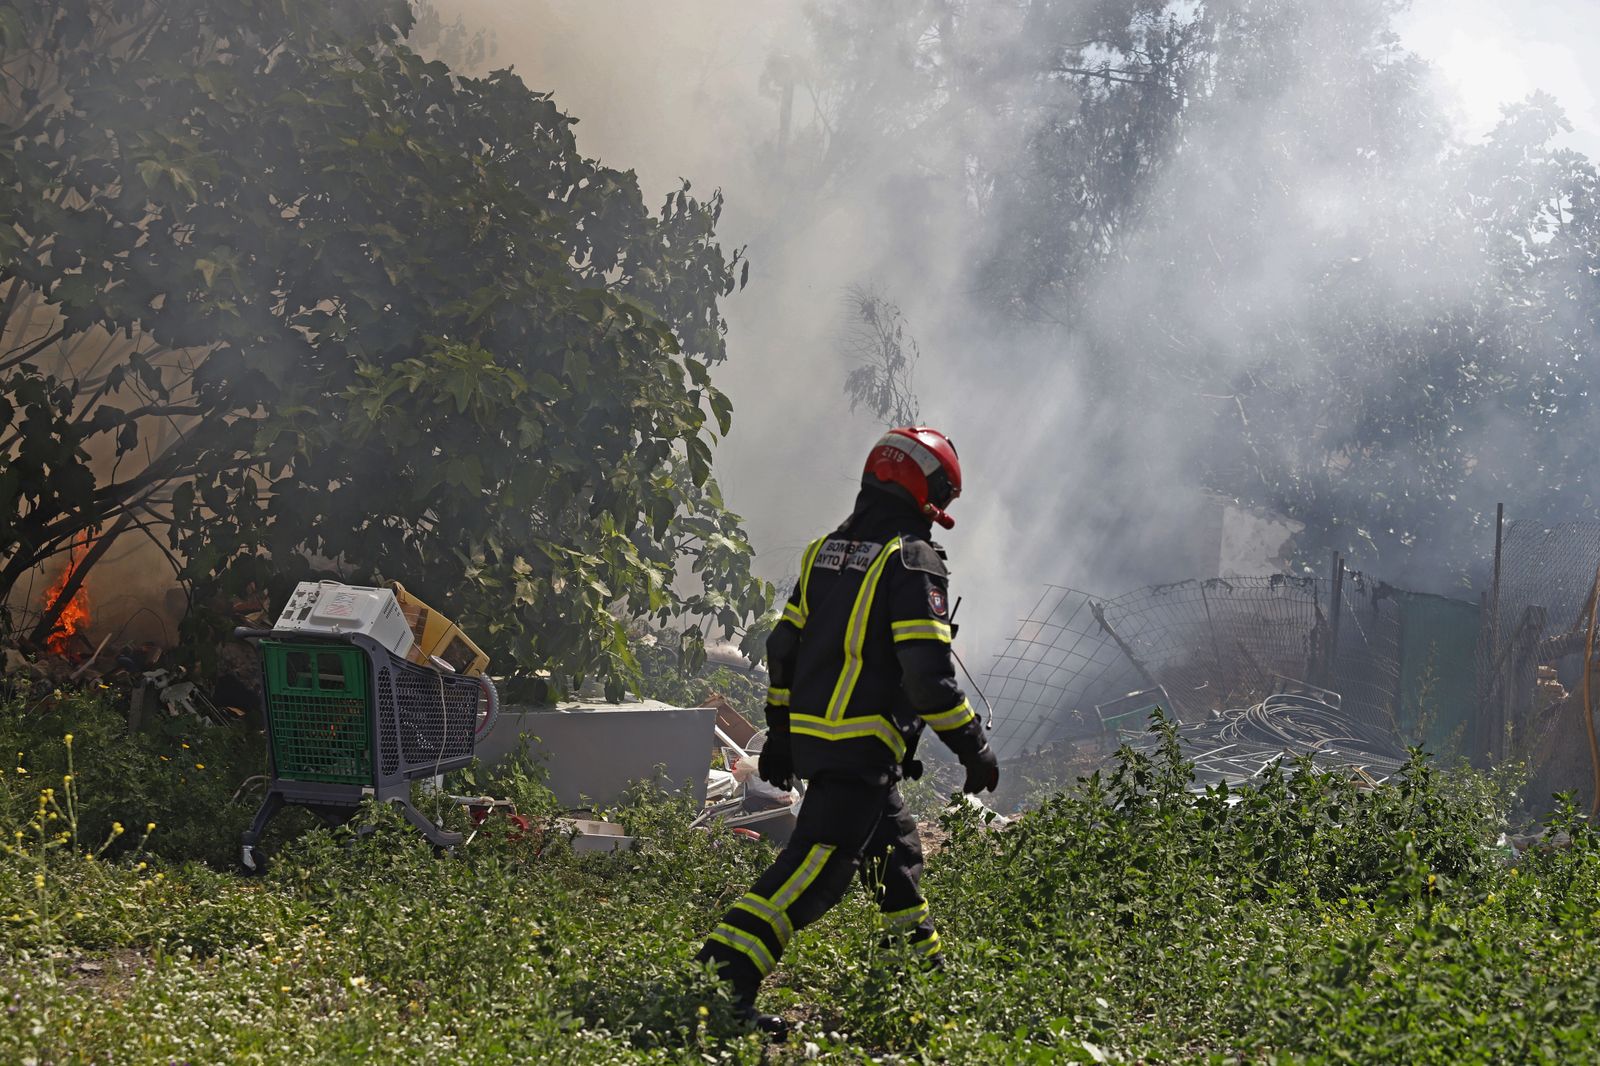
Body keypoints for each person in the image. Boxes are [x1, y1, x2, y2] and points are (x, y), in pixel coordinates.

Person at [696, 426, 1000, 1036]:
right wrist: (974, 747)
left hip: (820, 742)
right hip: (859, 746)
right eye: (942, 492)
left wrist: (781, 736)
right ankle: (717, 987)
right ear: (923, 487)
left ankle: (916, 975)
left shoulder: (826, 550)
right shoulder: (910, 558)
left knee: (896, 851)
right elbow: (927, 678)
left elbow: (783, 651)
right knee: (818, 871)